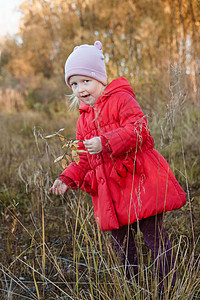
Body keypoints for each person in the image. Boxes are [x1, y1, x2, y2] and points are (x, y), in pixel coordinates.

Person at [50, 41, 186, 291]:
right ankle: (134, 287)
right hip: (111, 193)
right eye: (74, 84)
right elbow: (84, 161)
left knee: (153, 236)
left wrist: (105, 142)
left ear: (100, 78)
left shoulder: (122, 99)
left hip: (138, 183)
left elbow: (140, 130)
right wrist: (67, 178)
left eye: (85, 81)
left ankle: (170, 287)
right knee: (122, 244)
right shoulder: (83, 121)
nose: (80, 89)